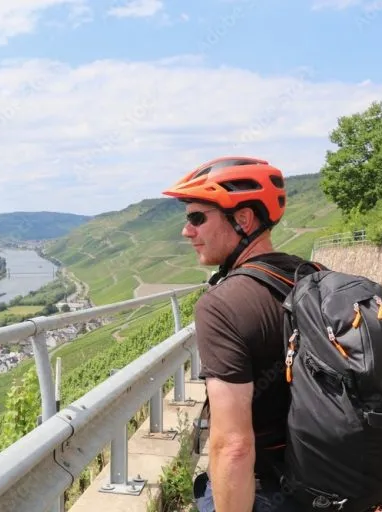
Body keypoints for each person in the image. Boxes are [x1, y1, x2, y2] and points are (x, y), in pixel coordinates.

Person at [161, 156, 307, 512]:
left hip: (266, 492)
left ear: (243, 219)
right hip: (328, 485)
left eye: (197, 217)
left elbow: (233, 447)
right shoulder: (312, 276)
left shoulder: (222, 305)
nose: (187, 231)